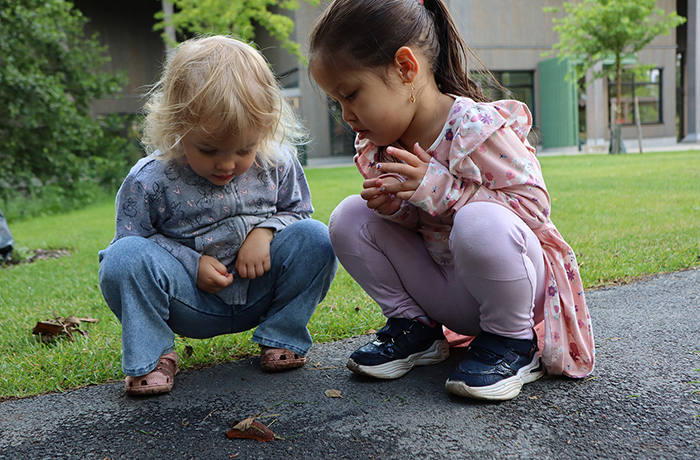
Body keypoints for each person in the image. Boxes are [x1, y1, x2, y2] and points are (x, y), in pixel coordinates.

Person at [308, 0, 594, 401]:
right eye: (337, 102)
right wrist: (398, 211)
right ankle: (416, 330)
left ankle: (514, 343)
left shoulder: (474, 128)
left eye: (352, 94)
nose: (346, 115)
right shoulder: (381, 147)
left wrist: (438, 188)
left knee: (479, 221)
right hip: (447, 290)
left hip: (512, 289)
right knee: (348, 217)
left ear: (406, 68)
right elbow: (426, 223)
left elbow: (534, 209)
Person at [99, 36, 337, 396]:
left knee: (318, 237)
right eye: (208, 149)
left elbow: (298, 212)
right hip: (187, 301)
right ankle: (155, 356)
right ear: (176, 126)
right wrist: (191, 262)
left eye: (244, 148)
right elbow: (132, 242)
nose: (227, 164)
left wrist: (266, 231)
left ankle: (281, 334)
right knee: (122, 259)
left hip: (260, 292)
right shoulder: (150, 179)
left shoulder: (277, 161)